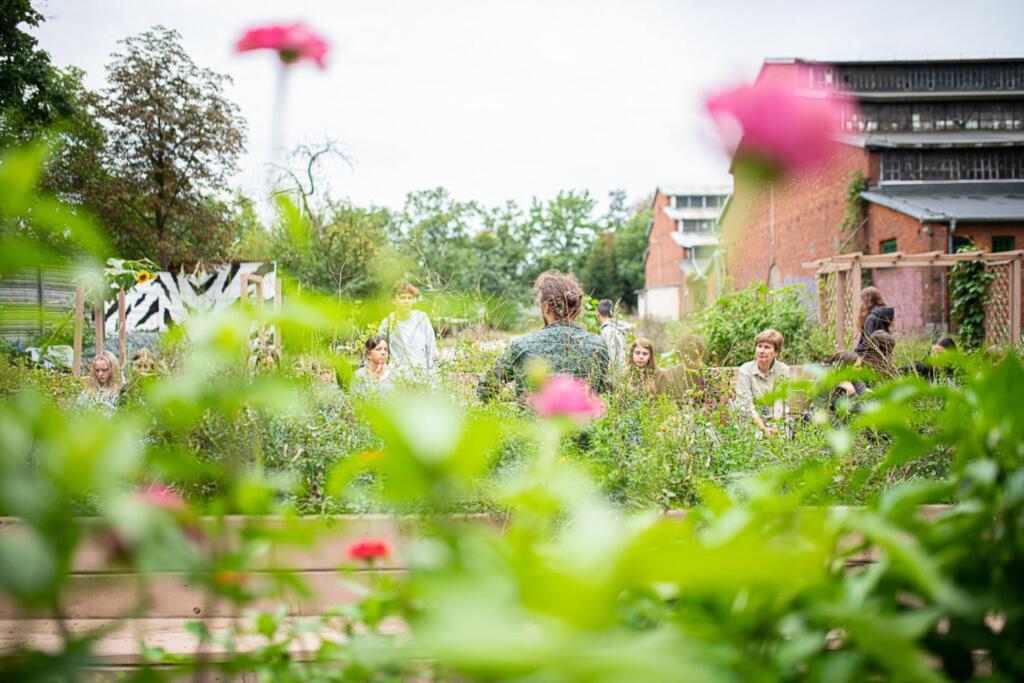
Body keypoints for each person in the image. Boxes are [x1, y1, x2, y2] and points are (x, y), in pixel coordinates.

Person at [478, 271, 609, 400]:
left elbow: (485, 390)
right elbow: (604, 392)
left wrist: (511, 398)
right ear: (577, 308)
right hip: (585, 421)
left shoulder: (521, 345)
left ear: (545, 307)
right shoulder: (598, 345)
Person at [378, 280, 437, 380]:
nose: (407, 301)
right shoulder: (387, 323)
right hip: (397, 379)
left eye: (410, 298)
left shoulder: (422, 319)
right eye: (402, 298)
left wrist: (431, 374)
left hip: (422, 377)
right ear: (394, 300)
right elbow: (380, 352)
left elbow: (431, 349)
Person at [735, 329, 790, 434]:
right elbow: (746, 405)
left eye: (767, 347)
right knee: (755, 436)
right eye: (759, 346)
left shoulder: (783, 370)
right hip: (752, 421)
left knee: (783, 436)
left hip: (777, 422)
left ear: (776, 352)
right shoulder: (746, 370)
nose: (761, 351)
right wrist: (763, 428)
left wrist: (775, 427)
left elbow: (781, 402)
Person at [825, 350, 869, 415]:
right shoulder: (827, 384)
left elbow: (864, 411)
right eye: (857, 367)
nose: (861, 369)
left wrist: (852, 393)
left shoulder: (856, 382)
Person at [854, 287, 894, 355]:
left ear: (867, 301)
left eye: (862, 300)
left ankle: (916, 366)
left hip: (872, 356)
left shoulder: (871, 318)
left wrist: (857, 352)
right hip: (883, 354)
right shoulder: (881, 315)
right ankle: (915, 366)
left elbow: (869, 341)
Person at [597, 299, 627, 377]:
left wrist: (608, 377)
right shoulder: (618, 328)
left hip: (614, 376)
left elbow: (611, 354)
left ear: (599, 314)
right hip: (620, 372)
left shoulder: (608, 330)